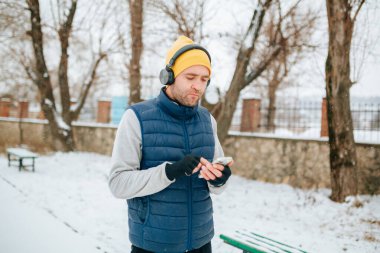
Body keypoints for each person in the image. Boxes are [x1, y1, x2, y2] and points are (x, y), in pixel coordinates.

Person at [108, 35, 233, 253]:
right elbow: (118, 183)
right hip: (154, 244)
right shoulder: (136, 117)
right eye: (191, 77)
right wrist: (168, 172)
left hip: (201, 243)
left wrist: (220, 179)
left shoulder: (207, 120)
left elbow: (216, 186)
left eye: (204, 79)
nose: (197, 86)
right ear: (169, 76)